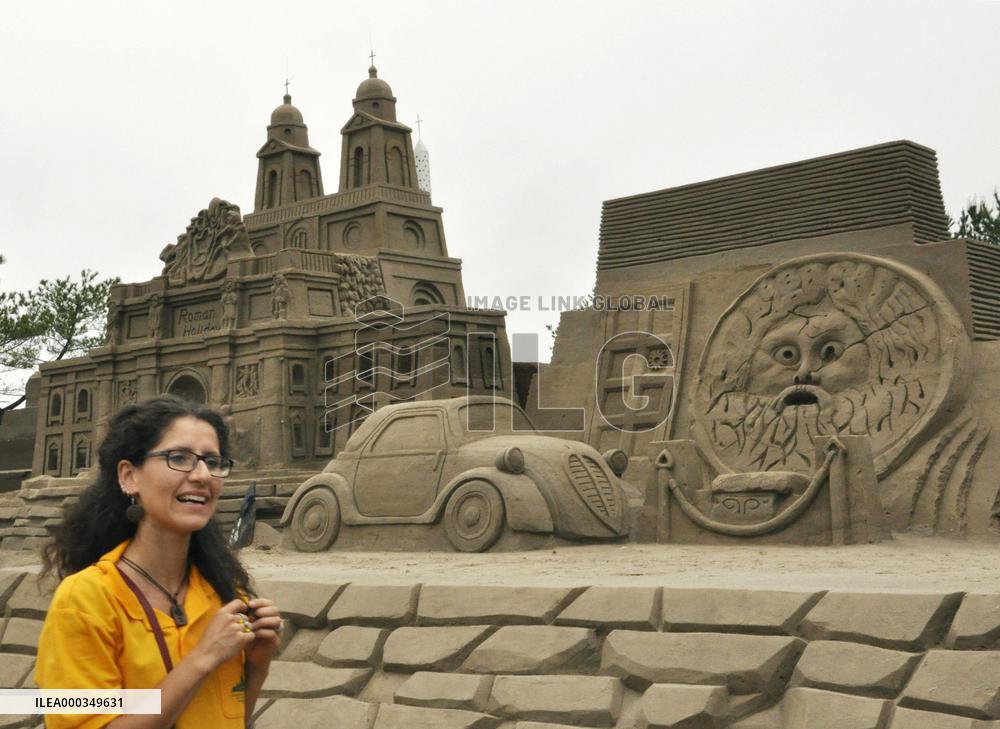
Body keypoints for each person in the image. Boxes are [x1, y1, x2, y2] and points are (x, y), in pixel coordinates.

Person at [36, 395, 281, 728]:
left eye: (213, 461)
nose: (202, 475)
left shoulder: (224, 595)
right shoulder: (84, 600)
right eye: (179, 457)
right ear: (128, 476)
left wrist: (256, 665)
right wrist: (203, 658)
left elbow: (230, 719)